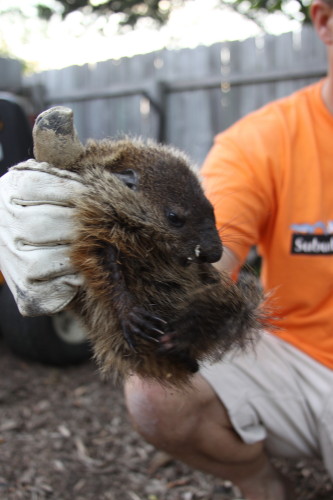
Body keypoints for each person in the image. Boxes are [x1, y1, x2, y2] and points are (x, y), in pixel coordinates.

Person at [0, 0, 332, 498]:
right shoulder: (261, 142)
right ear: (324, 20)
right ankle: (262, 485)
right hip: (304, 356)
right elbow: (212, 258)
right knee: (158, 395)